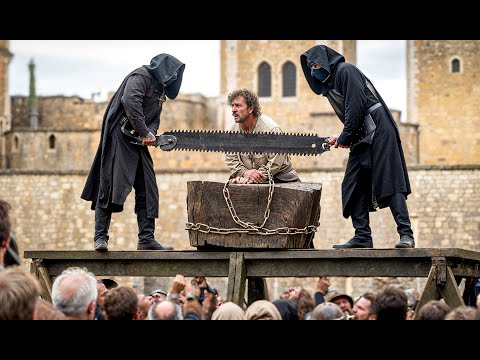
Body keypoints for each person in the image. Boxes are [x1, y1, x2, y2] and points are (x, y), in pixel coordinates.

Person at [300, 45, 415, 249]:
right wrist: (345, 136)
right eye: (310, 67)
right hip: (362, 133)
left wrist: (345, 136)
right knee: (352, 183)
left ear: (326, 63)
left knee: (389, 179)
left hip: (379, 128)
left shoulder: (345, 71)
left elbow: (356, 105)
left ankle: (406, 234)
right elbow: (352, 116)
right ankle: (362, 236)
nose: (313, 69)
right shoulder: (330, 86)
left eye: (316, 64)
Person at [81, 54, 185, 251]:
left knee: (148, 186)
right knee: (109, 184)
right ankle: (100, 237)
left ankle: (146, 239)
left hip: (137, 141)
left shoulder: (159, 88)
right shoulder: (140, 77)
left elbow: (155, 116)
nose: (174, 75)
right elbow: (130, 102)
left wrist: (151, 133)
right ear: (163, 68)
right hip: (119, 138)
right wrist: (144, 131)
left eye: (177, 74)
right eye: (173, 71)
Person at [224, 89, 300, 184]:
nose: (233, 110)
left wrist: (255, 176)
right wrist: (245, 173)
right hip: (249, 180)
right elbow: (231, 159)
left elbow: (275, 164)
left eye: (238, 105)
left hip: (282, 179)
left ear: (251, 109)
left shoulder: (271, 130)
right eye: (233, 105)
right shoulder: (232, 133)